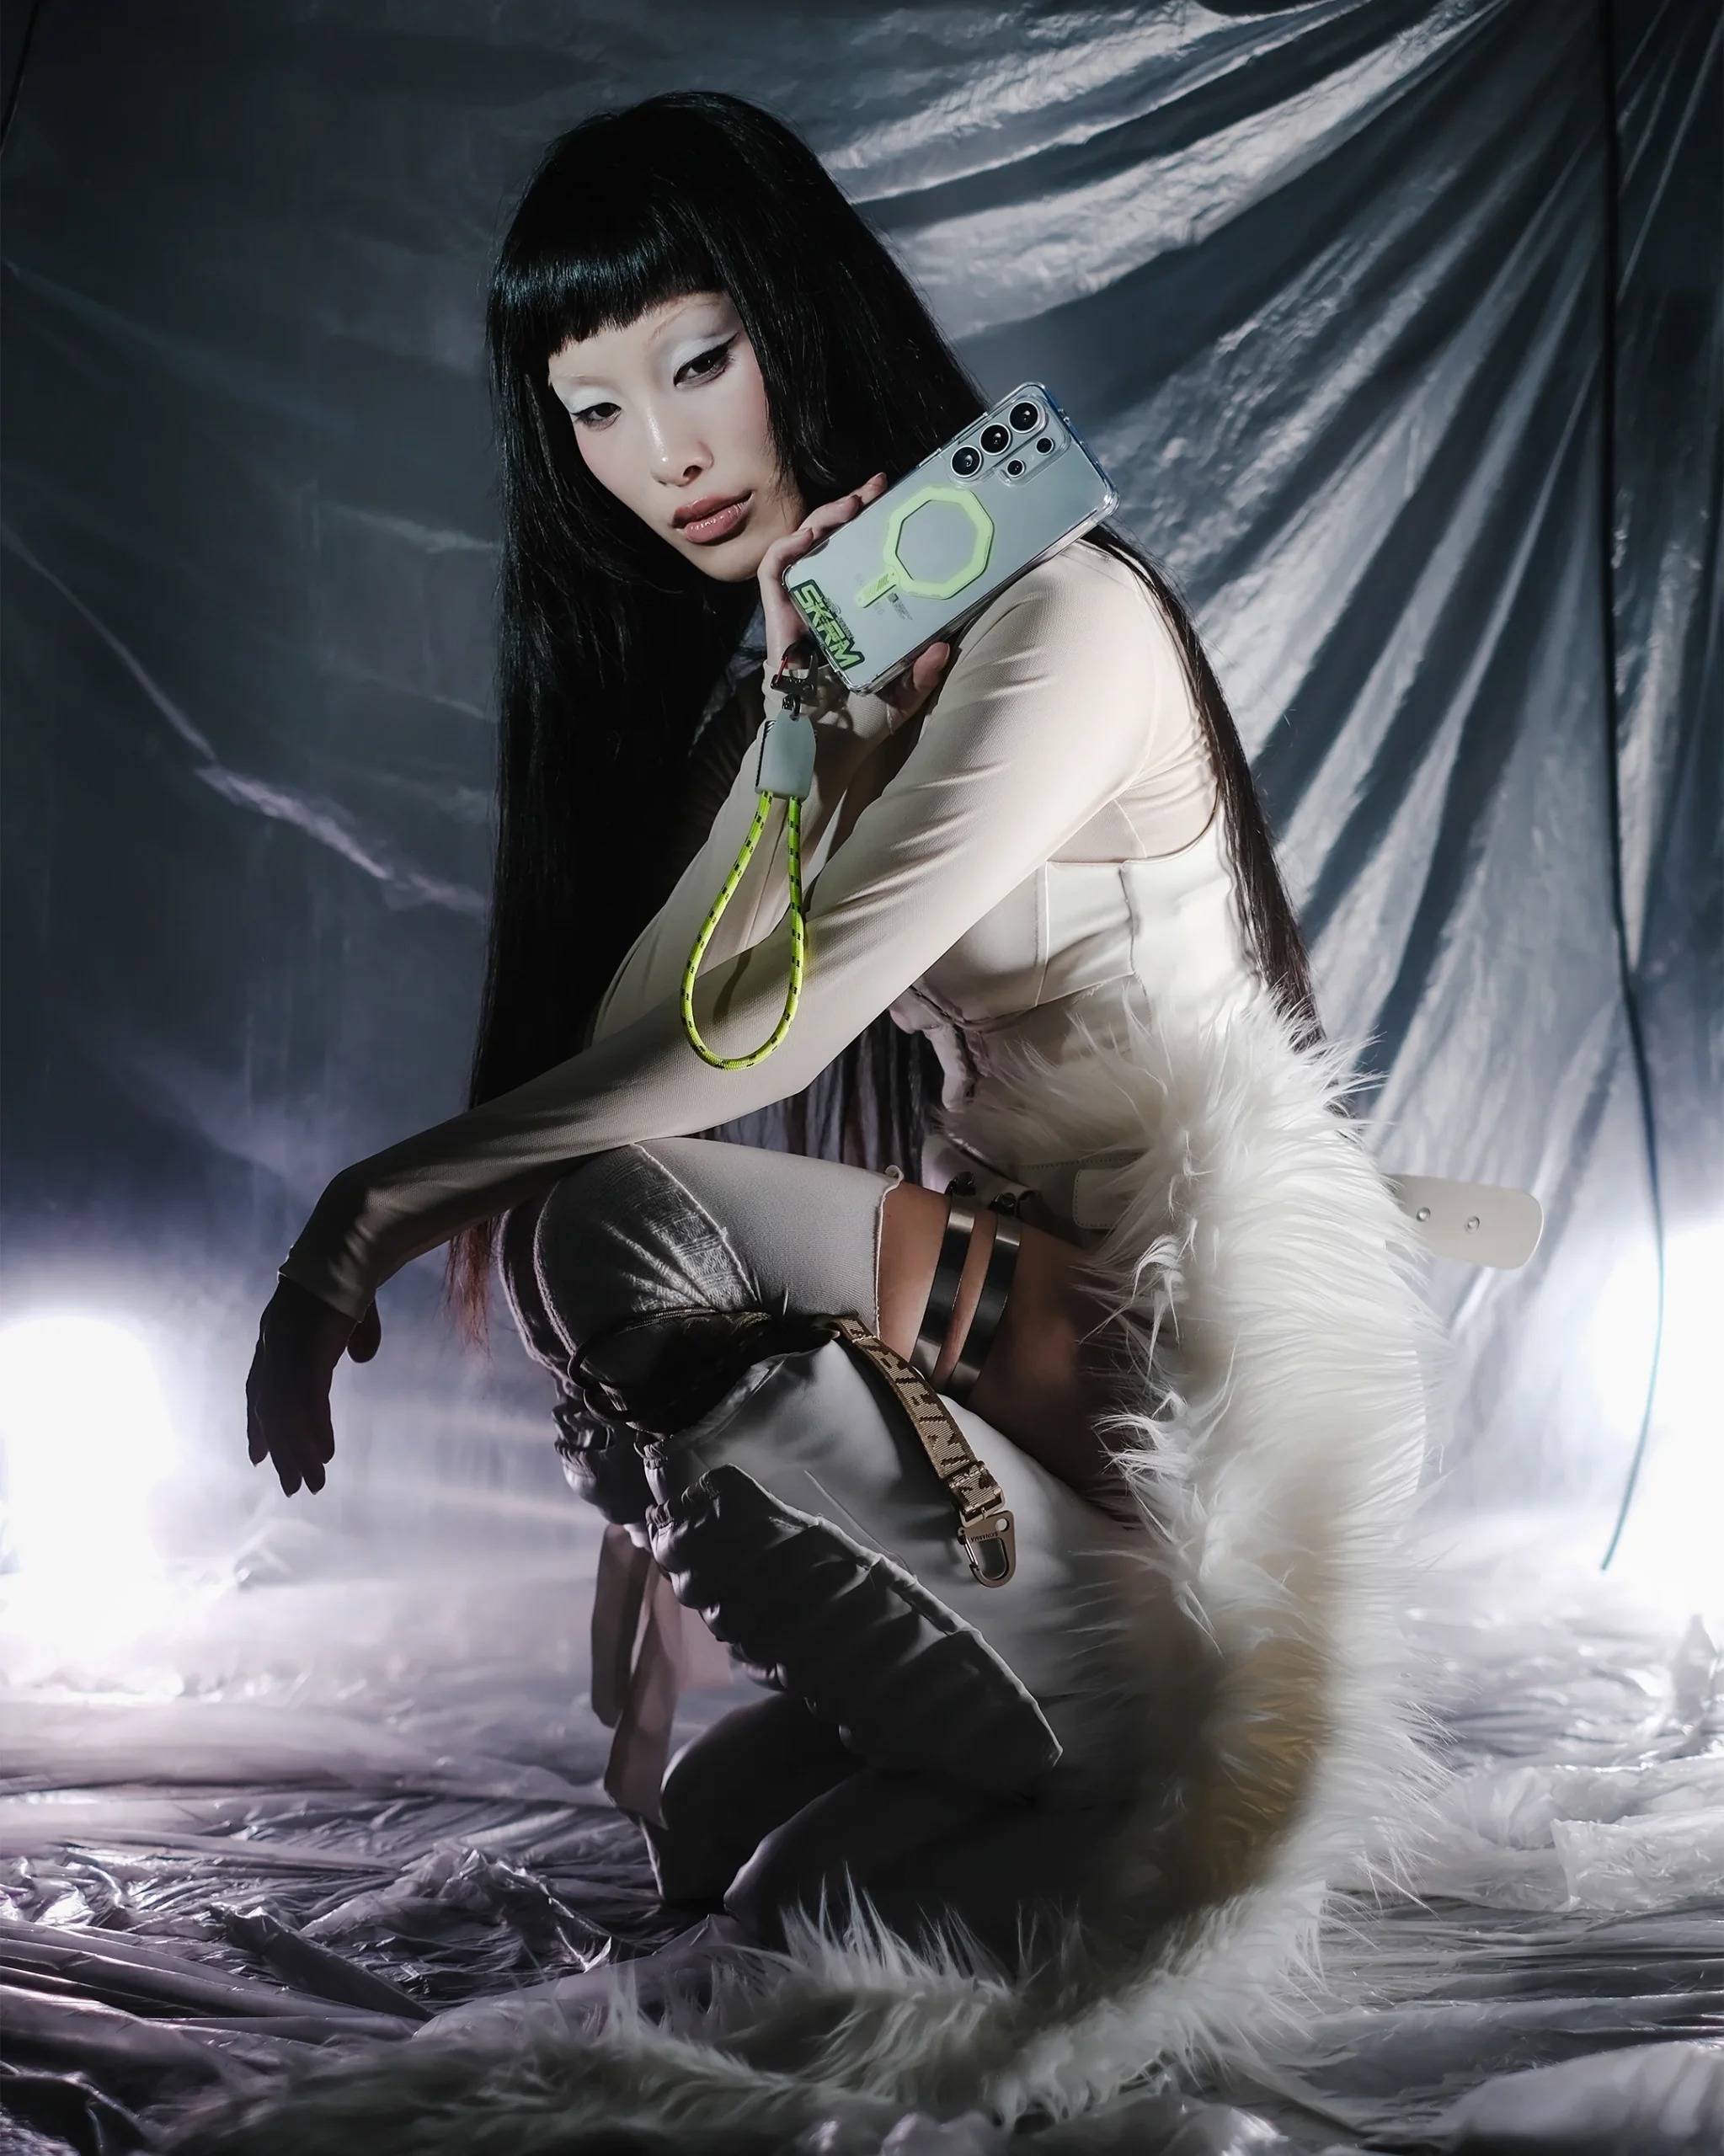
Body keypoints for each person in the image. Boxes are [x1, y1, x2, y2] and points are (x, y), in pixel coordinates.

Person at [240, 88, 1437, 2132]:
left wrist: (372, 1210)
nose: (664, 453)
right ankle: (1071, 1738)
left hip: (1187, 1363)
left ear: (798, 318)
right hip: (1027, 1306)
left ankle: (1139, 1739)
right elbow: (662, 1019)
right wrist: (793, 732)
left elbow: (755, 1050)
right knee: (724, 1826)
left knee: (609, 1237)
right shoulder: (831, 664)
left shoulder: (1067, 621)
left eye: (697, 360)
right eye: (593, 410)